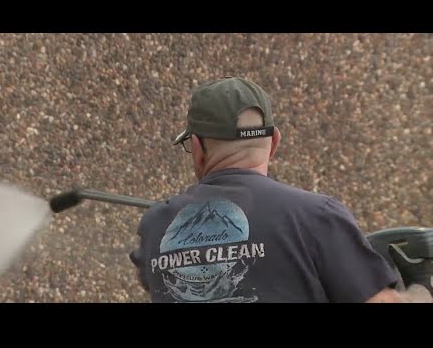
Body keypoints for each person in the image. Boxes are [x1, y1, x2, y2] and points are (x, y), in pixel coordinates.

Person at [130, 76, 431, 303]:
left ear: (196, 147)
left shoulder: (156, 225)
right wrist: (422, 287)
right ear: (274, 142)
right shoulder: (317, 217)